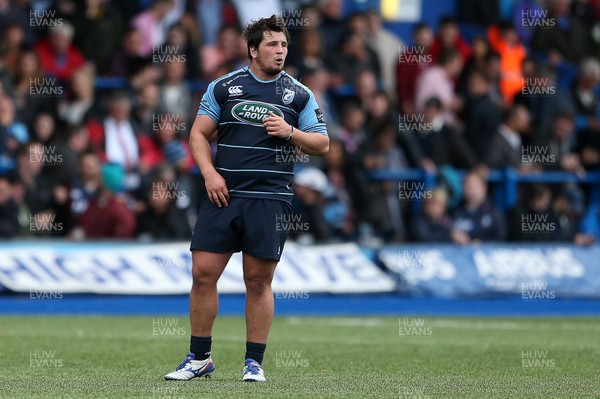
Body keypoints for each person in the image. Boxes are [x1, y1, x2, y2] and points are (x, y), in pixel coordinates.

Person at [163, 15, 328, 383]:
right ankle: (199, 358)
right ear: (253, 50)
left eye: (284, 45)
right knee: (202, 274)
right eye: (272, 44)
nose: (280, 51)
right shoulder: (224, 87)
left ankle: (254, 362)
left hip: (270, 199)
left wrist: (290, 132)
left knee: (258, 282)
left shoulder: (299, 94)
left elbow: (322, 143)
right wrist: (209, 173)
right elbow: (198, 135)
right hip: (224, 194)